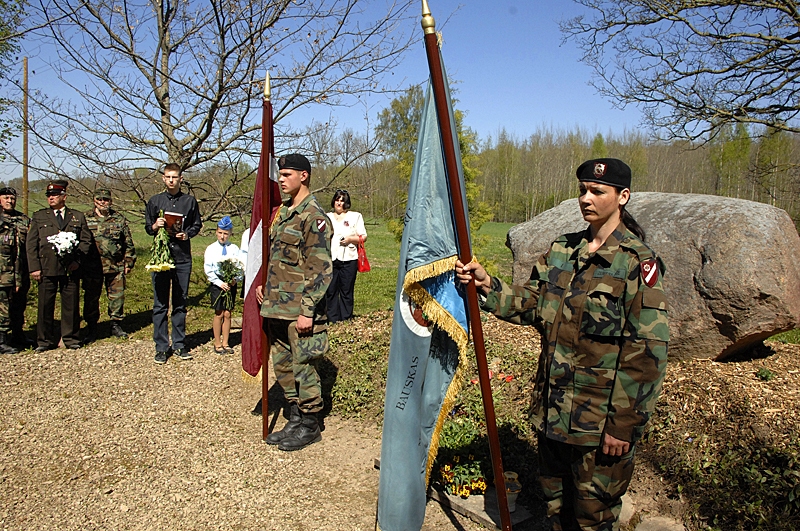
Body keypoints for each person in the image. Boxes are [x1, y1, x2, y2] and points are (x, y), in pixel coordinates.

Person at [456, 158, 669, 531]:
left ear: (623, 197)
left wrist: (623, 425)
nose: (586, 199)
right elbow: (533, 304)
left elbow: (647, 352)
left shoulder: (636, 262)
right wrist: (488, 284)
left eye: (597, 191)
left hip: (599, 425)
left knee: (592, 519)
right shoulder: (563, 251)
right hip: (553, 413)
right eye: (583, 190)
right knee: (556, 510)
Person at [256, 153, 332, 452]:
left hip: (300, 309)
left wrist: (308, 311)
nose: (282, 179)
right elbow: (280, 258)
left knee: (304, 366)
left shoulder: (314, 217)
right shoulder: (284, 213)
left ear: (304, 176)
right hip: (278, 305)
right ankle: (296, 417)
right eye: (281, 174)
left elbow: (320, 269)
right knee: (284, 365)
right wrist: (266, 284)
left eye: (287, 174)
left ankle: (311, 425)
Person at [145, 163, 202, 364]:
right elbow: (147, 228)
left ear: (181, 179)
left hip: (182, 259)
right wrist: (155, 225)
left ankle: (179, 344)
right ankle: (161, 346)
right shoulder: (155, 201)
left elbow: (197, 224)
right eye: (168, 177)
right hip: (161, 260)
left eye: (174, 177)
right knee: (160, 304)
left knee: (180, 303)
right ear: (163, 178)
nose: (171, 180)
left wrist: (187, 234)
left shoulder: (189, 201)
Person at [26, 180, 93, 352]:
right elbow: (31, 244)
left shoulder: (77, 216)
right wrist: (34, 267)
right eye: (49, 196)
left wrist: (77, 261)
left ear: (64, 196)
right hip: (46, 267)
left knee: (71, 305)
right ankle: (44, 340)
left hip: (69, 268)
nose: (51, 198)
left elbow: (86, 241)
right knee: (45, 305)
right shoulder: (39, 216)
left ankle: (70, 338)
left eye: (55, 195)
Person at [82, 188, 137, 343]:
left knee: (117, 297)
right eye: (99, 199)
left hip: (115, 266)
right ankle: (92, 326)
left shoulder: (118, 219)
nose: (102, 202)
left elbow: (128, 242)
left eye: (105, 200)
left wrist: (129, 262)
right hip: (92, 267)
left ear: (110, 201)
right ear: (94, 201)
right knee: (91, 297)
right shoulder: (85, 218)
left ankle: (115, 324)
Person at [325, 189, 367, 322]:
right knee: (330, 290)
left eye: (342, 201)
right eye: (337, 200)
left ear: (346, 203)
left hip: (349, 258)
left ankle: (345, 318)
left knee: (346, 290)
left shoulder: (355, 216)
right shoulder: (327, 217)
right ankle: (332, 318)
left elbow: (363, 236)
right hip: (331, 259)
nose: (339, 203)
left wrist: (350, 239)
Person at [0, 186, 33, 348]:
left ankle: (18, 335)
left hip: (21, 271)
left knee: (19, 305)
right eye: (6, 198)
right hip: (2, 272)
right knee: (2, 306)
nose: (9, 201)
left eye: (12, 198)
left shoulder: (24, 220)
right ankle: (2, 340)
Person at [204, 216, 240, 354]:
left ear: (230, 234)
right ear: (216, 232)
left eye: (226, 233)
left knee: (228, 313)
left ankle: (226, 342)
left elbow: (239, 265)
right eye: (220, 233)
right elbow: (208, 269)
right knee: (219, 313)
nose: (222, 236)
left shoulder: (234, 248)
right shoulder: (211, 249)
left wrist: (235, 279)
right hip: (217, 283)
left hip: (230, 283)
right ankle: (217, 342)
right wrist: (219, 282)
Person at [0, 209, 23, 353]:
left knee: (4, 310)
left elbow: (17, 257)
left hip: (5, 277)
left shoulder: (9, 229)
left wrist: (17, 279)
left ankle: (2, 340)